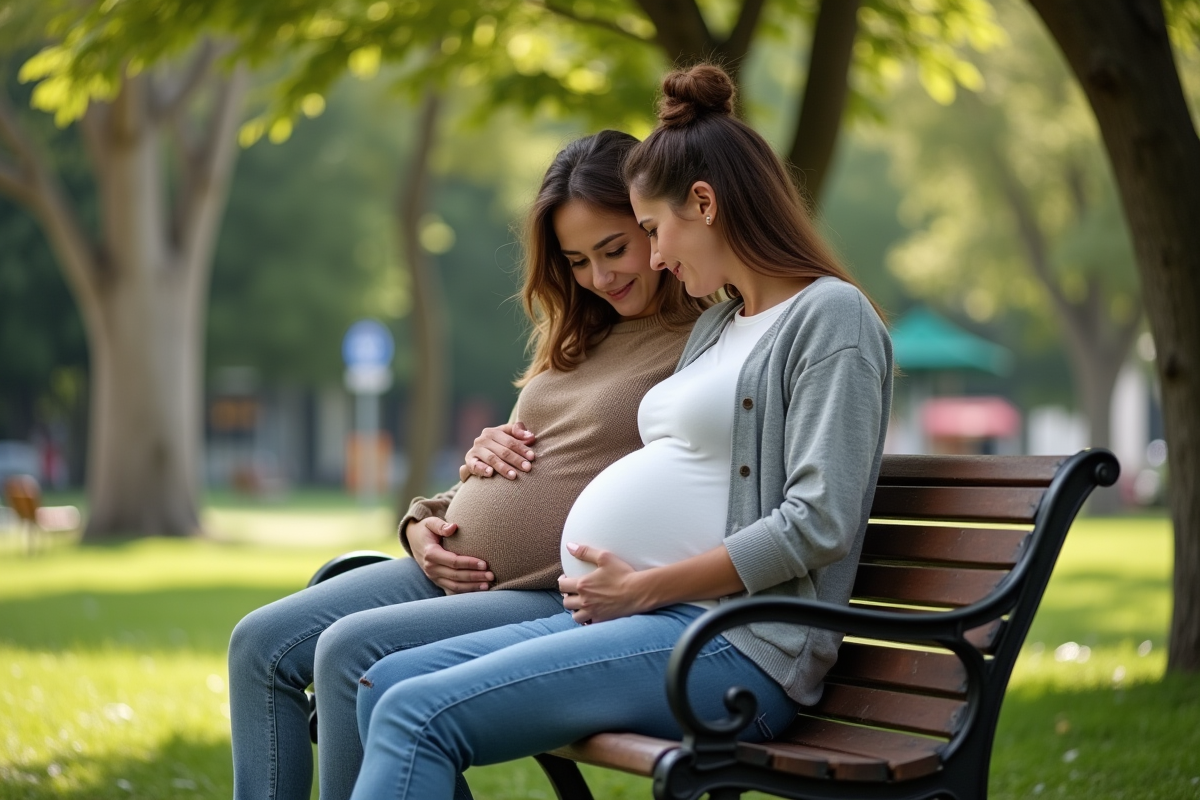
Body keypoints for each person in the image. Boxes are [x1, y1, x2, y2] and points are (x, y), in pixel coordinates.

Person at [348, 63, 894, 800]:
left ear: (703, 203)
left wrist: (644, 588)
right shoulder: (719, 328)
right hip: (650, 623)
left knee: (416, 713)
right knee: (385, 680)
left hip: (736, 648)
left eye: (650, 231)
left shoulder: (830, 319)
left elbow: (817, 521)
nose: (656, 257)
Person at [226, 129, 707, 800]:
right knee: (259, 645)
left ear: (654, 223)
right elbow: (524, 455)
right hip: (448, 564)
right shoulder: (583, 332)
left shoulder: (701, 343)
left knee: (347, 653)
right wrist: (425, 522)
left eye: (614, 248)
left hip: (549, 594)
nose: (600, 277)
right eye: (576, 260)